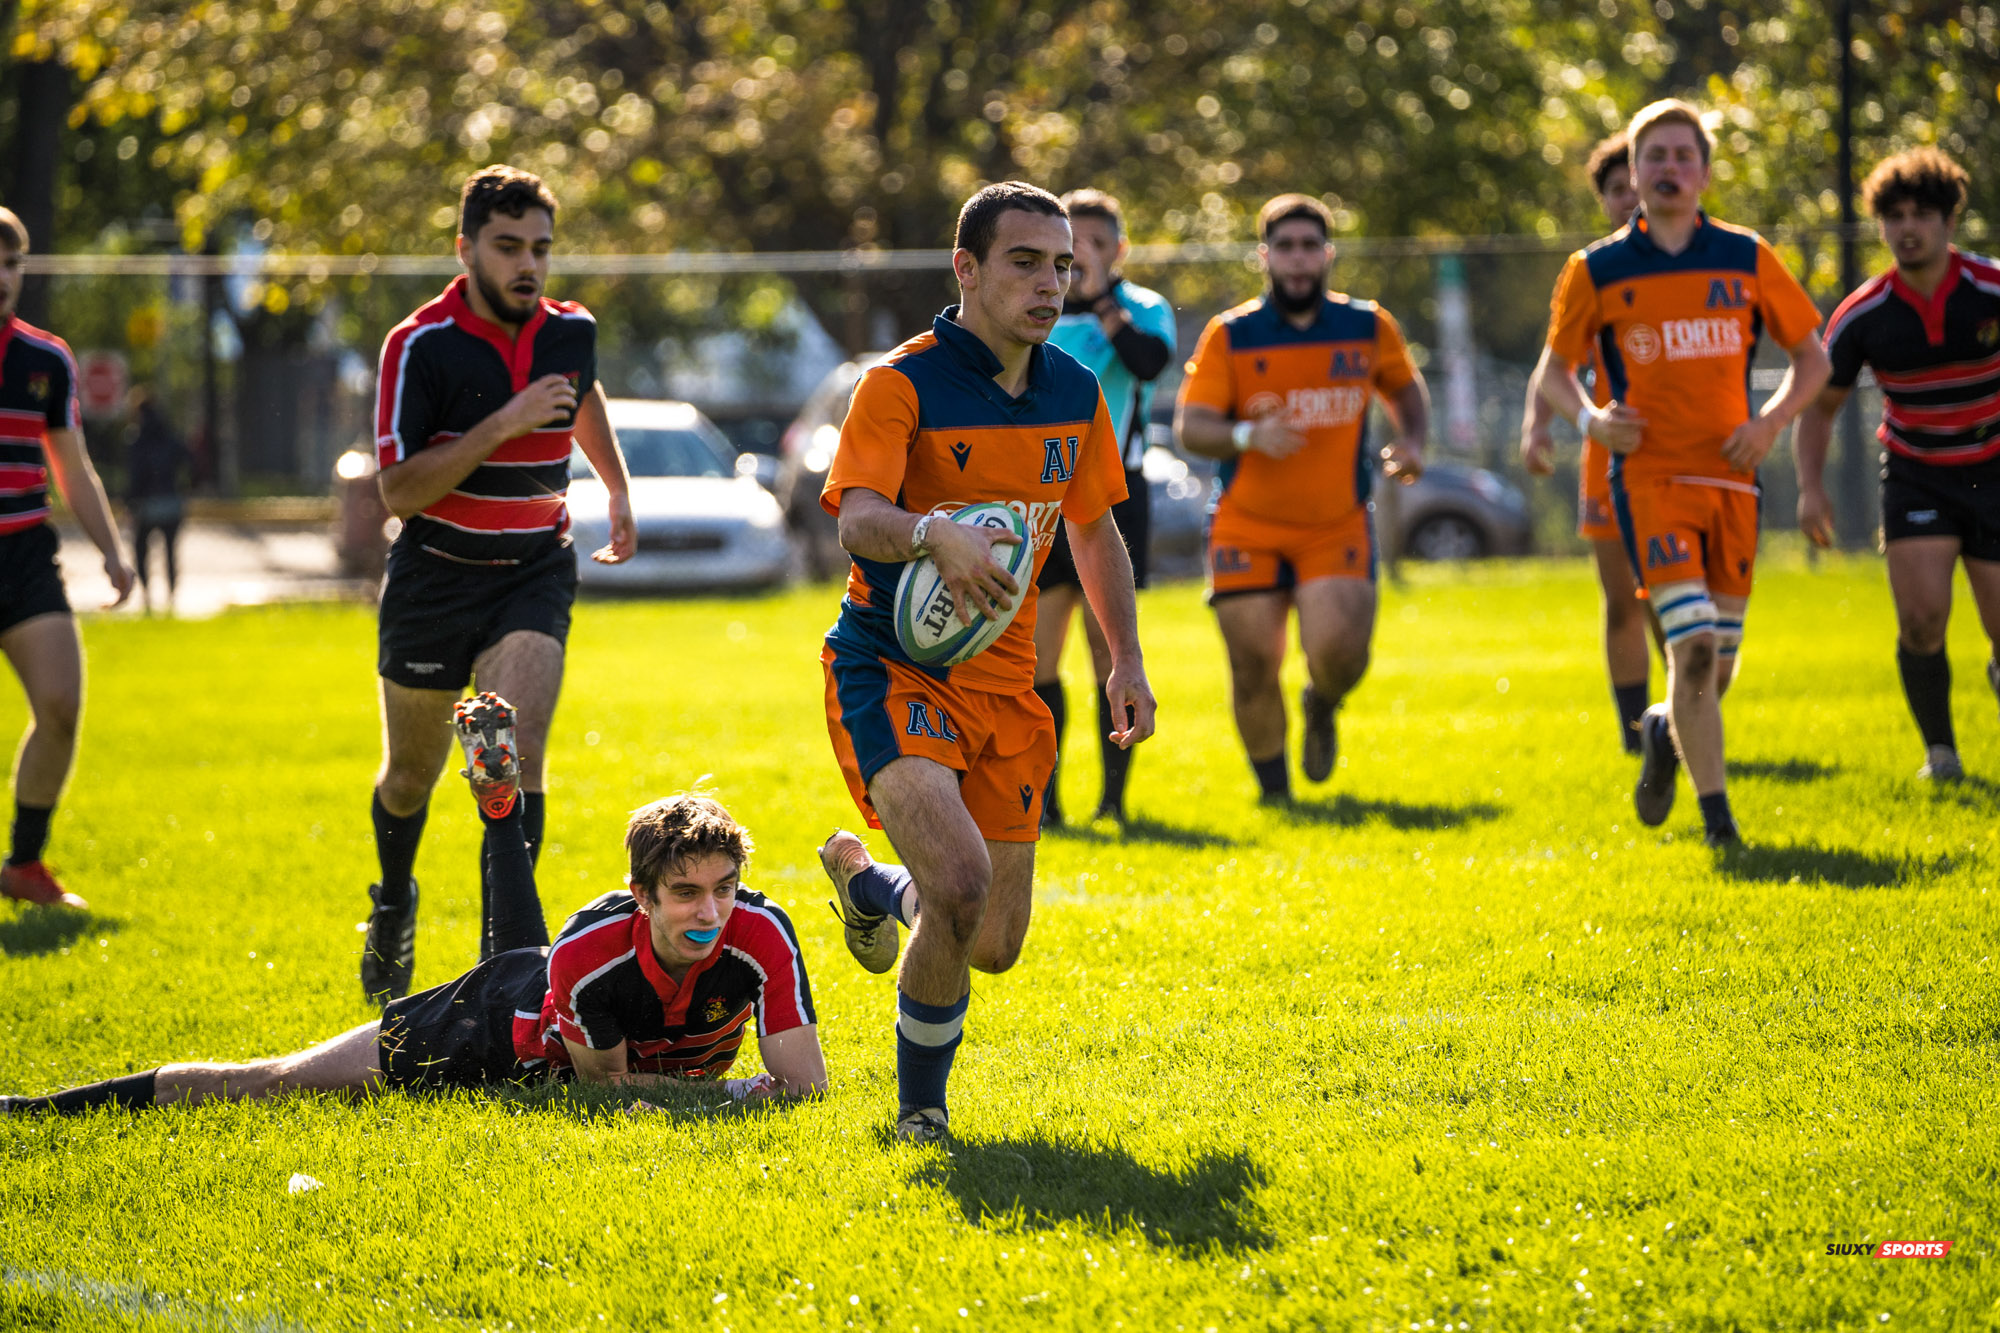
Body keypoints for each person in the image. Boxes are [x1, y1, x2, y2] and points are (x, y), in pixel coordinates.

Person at [817, 182, 1156, 1143]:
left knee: (993, 942)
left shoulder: (1075, 390)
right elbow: (857, 520)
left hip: (1009, 690)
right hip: (895, 670)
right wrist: (933, 535)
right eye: (1025, 262)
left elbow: (1094, 532)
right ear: (965, 269)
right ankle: (921, 1113)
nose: (1052, 283)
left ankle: (872, 883)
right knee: (960, 887)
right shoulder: (900, 384)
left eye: (1062, 266)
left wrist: (1123, 658)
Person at [2, 791, 825, 1113]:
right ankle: (36, 1110)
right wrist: (736, 1097)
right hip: (490, 1030)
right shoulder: (596, 950)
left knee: (536, 948)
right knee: (283, 1082)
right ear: (643, 894)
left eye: (724, 886)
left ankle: (501, 811)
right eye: (686, 893)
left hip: (554, 985)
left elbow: (807, 1087)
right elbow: (601, 1091)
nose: (710, 910)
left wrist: (757, 1094)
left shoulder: (763, 934)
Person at [362, 165, 636, 1007]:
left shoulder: (571, 328)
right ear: (466, 248)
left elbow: (578, 400)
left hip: (532, 569)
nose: (528, 265)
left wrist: (618, 488)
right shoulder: (418, 344)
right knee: (412, 774)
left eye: (541, 249)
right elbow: (399, 491)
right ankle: (394, 899)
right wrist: (505, 421)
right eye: (508, 246)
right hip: (434, 578)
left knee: (506, 755)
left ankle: (506, 957)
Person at [1538, 99, 1829, 845]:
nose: (1668, 168)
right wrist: (1591, 422)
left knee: (1713, 671)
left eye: (1682, 155)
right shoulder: (1595, 268)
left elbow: (1814, 358)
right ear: (1632, 173)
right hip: (1648, 482)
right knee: (1691, 645)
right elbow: (1554, 371)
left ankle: (1665, 725)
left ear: (1703, 172)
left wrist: (1768, 423)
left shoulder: (1746, 256)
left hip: (1733, 483)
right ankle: (1720, 824)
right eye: (1654, 156)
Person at [1174, 193, 1429, 802]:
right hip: (1246, 525)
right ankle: (1276, 795)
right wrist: (1246, 434)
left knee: (1342, 654)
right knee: (1254, 664)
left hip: (1334, 524)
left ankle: (1322, 703)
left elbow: (1405, 388)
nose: (1297, 260)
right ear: (1265, 256)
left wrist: (1414, 441)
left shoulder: (1366, 325)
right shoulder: (1231, 334)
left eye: (1309, 247)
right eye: (1284, 247)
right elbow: (1192, 426)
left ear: (1328, 254)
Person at [1796, 148, 2000, 781]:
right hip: (1918, 475)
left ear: (1947, 221)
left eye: (1921, 214)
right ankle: (1940, 752)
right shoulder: (1863, 314)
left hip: (1995, 471)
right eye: (1894, 216)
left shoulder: (1991, 289)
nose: (1907, 228)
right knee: (1920, 619)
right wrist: (1810, 489)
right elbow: (1820, 409)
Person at [0, 205, 136, 911]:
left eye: (11, 263)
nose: (1, 278)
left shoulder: (46, 359)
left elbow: (73, 469)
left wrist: (113, 552)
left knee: (59, 704)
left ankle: (23, 862)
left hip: (24, 555)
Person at [1032, 188, 1176, 826]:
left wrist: (1101, 300)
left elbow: (1148, 363)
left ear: (1119, 248)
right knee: (1037, 656)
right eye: (1071, 242)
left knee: (1108, 650)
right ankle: (1049, 804)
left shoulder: (1141, 307)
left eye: (1093, 243)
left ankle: (1113, 802)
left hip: (1114, 495)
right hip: (1038, 496)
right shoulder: (1037, 309)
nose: (1079, 254)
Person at [1521, 134, 1662, 755]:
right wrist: (1539, 425)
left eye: (1635, 181)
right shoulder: (1594, 270)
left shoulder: (1702, 260)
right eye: (1616, 189)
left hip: (1689, 455)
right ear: (1605, 199)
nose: (1629, 196)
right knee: (1623, 599)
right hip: (1611, 452)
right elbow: (1555, 362)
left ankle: (1684, 709)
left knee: (1673, 601)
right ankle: (1639, 734)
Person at [124, 387, 191, 613]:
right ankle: (172, 598)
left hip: (147, 505)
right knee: (170, 553)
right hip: (172, 503)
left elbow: (135, 476)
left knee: (142, 551)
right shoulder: (170, 436)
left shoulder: (137, 438)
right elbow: (190, 461)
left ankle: (147, 598)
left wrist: (130, 503)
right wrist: (184, 488)